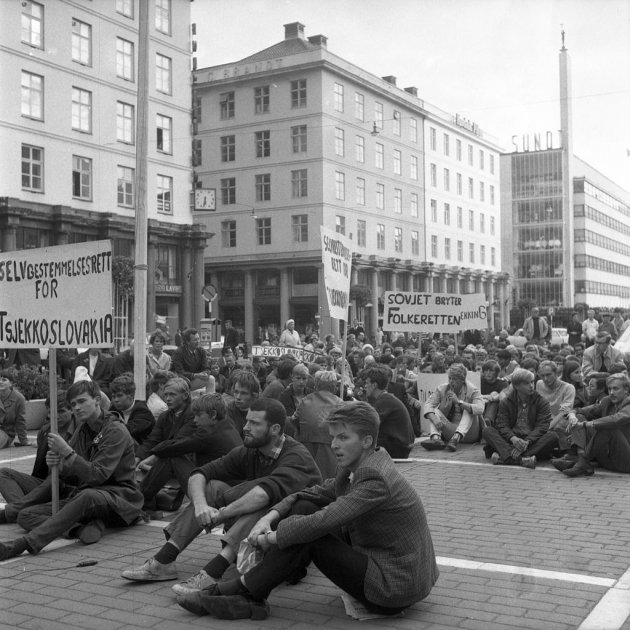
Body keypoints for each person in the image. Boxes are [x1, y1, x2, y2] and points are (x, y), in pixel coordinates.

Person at [174, 401, 439, 621]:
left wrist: (270, 539)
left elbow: (325, 519)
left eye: (343, 437)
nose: (334, 444)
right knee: (303, 506)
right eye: (333, 437)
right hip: (385, 563)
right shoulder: (361, 462)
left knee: (311, 535)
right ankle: (249, 594)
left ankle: (237, 590)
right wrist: (271, 515)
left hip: (394, 587)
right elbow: (314, 492)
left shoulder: (374, 476)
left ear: (367, 440)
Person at [121, 398, 322, 592]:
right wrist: (201, 507)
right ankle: (164, 561)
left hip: (290, 539)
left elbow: (262, 495)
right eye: (247, 421)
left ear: (275, 429)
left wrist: (221, 514)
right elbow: (199, 474)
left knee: (261, 503)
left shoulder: (297, 456)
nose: (245, 427)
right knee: (212, 486)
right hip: (256, 531)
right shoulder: (251, 449)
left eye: (254, 423)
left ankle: (213, 571)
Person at [0, 380, 143, 559]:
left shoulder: (115, 430)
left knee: (87, 495)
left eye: (82, 401)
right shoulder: (83, 429)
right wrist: (58, 464)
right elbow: (69, 472)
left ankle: (21, 545)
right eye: (73, 404)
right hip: (86, 493)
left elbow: (97, 475)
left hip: (120, 497)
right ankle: (78, 528)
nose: (77, 407)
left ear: (97, 400)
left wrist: (67, 452)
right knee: (25, 515)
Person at [134, 377, 200, 516]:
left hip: (190, 463)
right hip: (169, 459)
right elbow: (152, 440)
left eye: (172, 395)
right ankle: (144, 500)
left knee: (170, 458)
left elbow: (178, 442)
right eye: (166, 395)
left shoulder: (193, 414)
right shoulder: (165, 416)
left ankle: (141, 499)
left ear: (185, 395)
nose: (168, 398)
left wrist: (153, 457)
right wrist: (138, 458)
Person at [0, 391, 75, 504]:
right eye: (52, 412)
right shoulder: (45, 431)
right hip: (45, 485)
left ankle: (17, 510)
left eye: (61, 411)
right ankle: (21, 508)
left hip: (69, 488)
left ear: (72, 410)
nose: (56, 417)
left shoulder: (81, 430)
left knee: (54, 480)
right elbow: (39, 470)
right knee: (3, 473)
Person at [553, 373, 630, 477]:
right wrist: (572, 417)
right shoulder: (607, 401)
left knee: (608, 428)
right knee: (579, 417)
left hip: (626, 461)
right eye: (610, 389)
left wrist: (585, 425)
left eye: (616, 389)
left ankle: (580, 463)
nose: (611, 392)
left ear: (626, 389)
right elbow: (579, 410)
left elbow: (616, 420)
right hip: (607, 459)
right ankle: (583, 464)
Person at [482, 368, 558, 468]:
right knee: (488, 431)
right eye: (527, 383)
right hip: (510, 438)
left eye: (532, 382)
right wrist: (513, 438)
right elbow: (502, 425)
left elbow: (542, 426)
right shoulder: (506, 401)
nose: (531, 386)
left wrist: (527, 441)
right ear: (516, 386)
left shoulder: (541, 401)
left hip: (531, 440)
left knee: (553, 436)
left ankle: (505, 457)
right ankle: (523, 460)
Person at [422, 363, 485, 452]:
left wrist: (459, 402)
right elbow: (428, 405)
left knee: (469, 409)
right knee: (434, 411)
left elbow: (480, 409)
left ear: (463, 380)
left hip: (470, 433)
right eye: (450, 378)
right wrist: (435, 419)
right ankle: (436, 439)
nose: (451, 381)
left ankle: (456, 437)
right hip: (450, 432)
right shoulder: (442, 389)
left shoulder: (473, 390)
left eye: (454, 379)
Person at [291, 370, 342, 478]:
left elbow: (294, 420)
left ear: (316, 385)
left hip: (305, 450)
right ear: (334, 387)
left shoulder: (305, 401)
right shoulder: (339, 403)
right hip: (330, 450)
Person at [363, 364, 415, 458]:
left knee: (359, 443)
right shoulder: (385, 398)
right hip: (398, 444)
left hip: (398, 448)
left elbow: (368, 423)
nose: (365, 386)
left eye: (367, 383)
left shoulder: (385, 400)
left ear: (374, 385)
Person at [535, 360, 575, 450]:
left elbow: (564, 412)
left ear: (556, 373)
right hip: (543, 420)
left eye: (548, 375)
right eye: (542, 375)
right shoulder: (539, 384)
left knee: (558, 428)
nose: (545, 378)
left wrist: (547, 427)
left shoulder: (568, 388)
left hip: (560, 421)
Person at [109, 374, 156, 448]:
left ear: (130, 396)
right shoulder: (113, 410)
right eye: (113, 396)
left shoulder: (142, 411)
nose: (116, 400)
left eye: (119, 396)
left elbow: (126, 432)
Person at [226, 371, 260, 437]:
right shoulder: (228, 410)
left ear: (254, 395)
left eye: (243, 393)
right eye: (236, 392)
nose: (238, 397)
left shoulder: (261, 412)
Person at [0, 372, 29, 448]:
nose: (0, 382)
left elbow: (20, 421)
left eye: (4, 380)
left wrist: (24, 440)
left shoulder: (19, 399)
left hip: (5, 432)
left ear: (11, 383)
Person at [480, 359, 508, 427]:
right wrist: (486, 397)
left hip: (495, 408)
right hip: (480, 403)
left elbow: (502, 396)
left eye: (491, 371)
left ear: (496, 373)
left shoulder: (502, 383)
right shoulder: (480, 381)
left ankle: (487, 420)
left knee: (494, 395)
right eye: (486, 370)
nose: (488, 373)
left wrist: (491, 398)